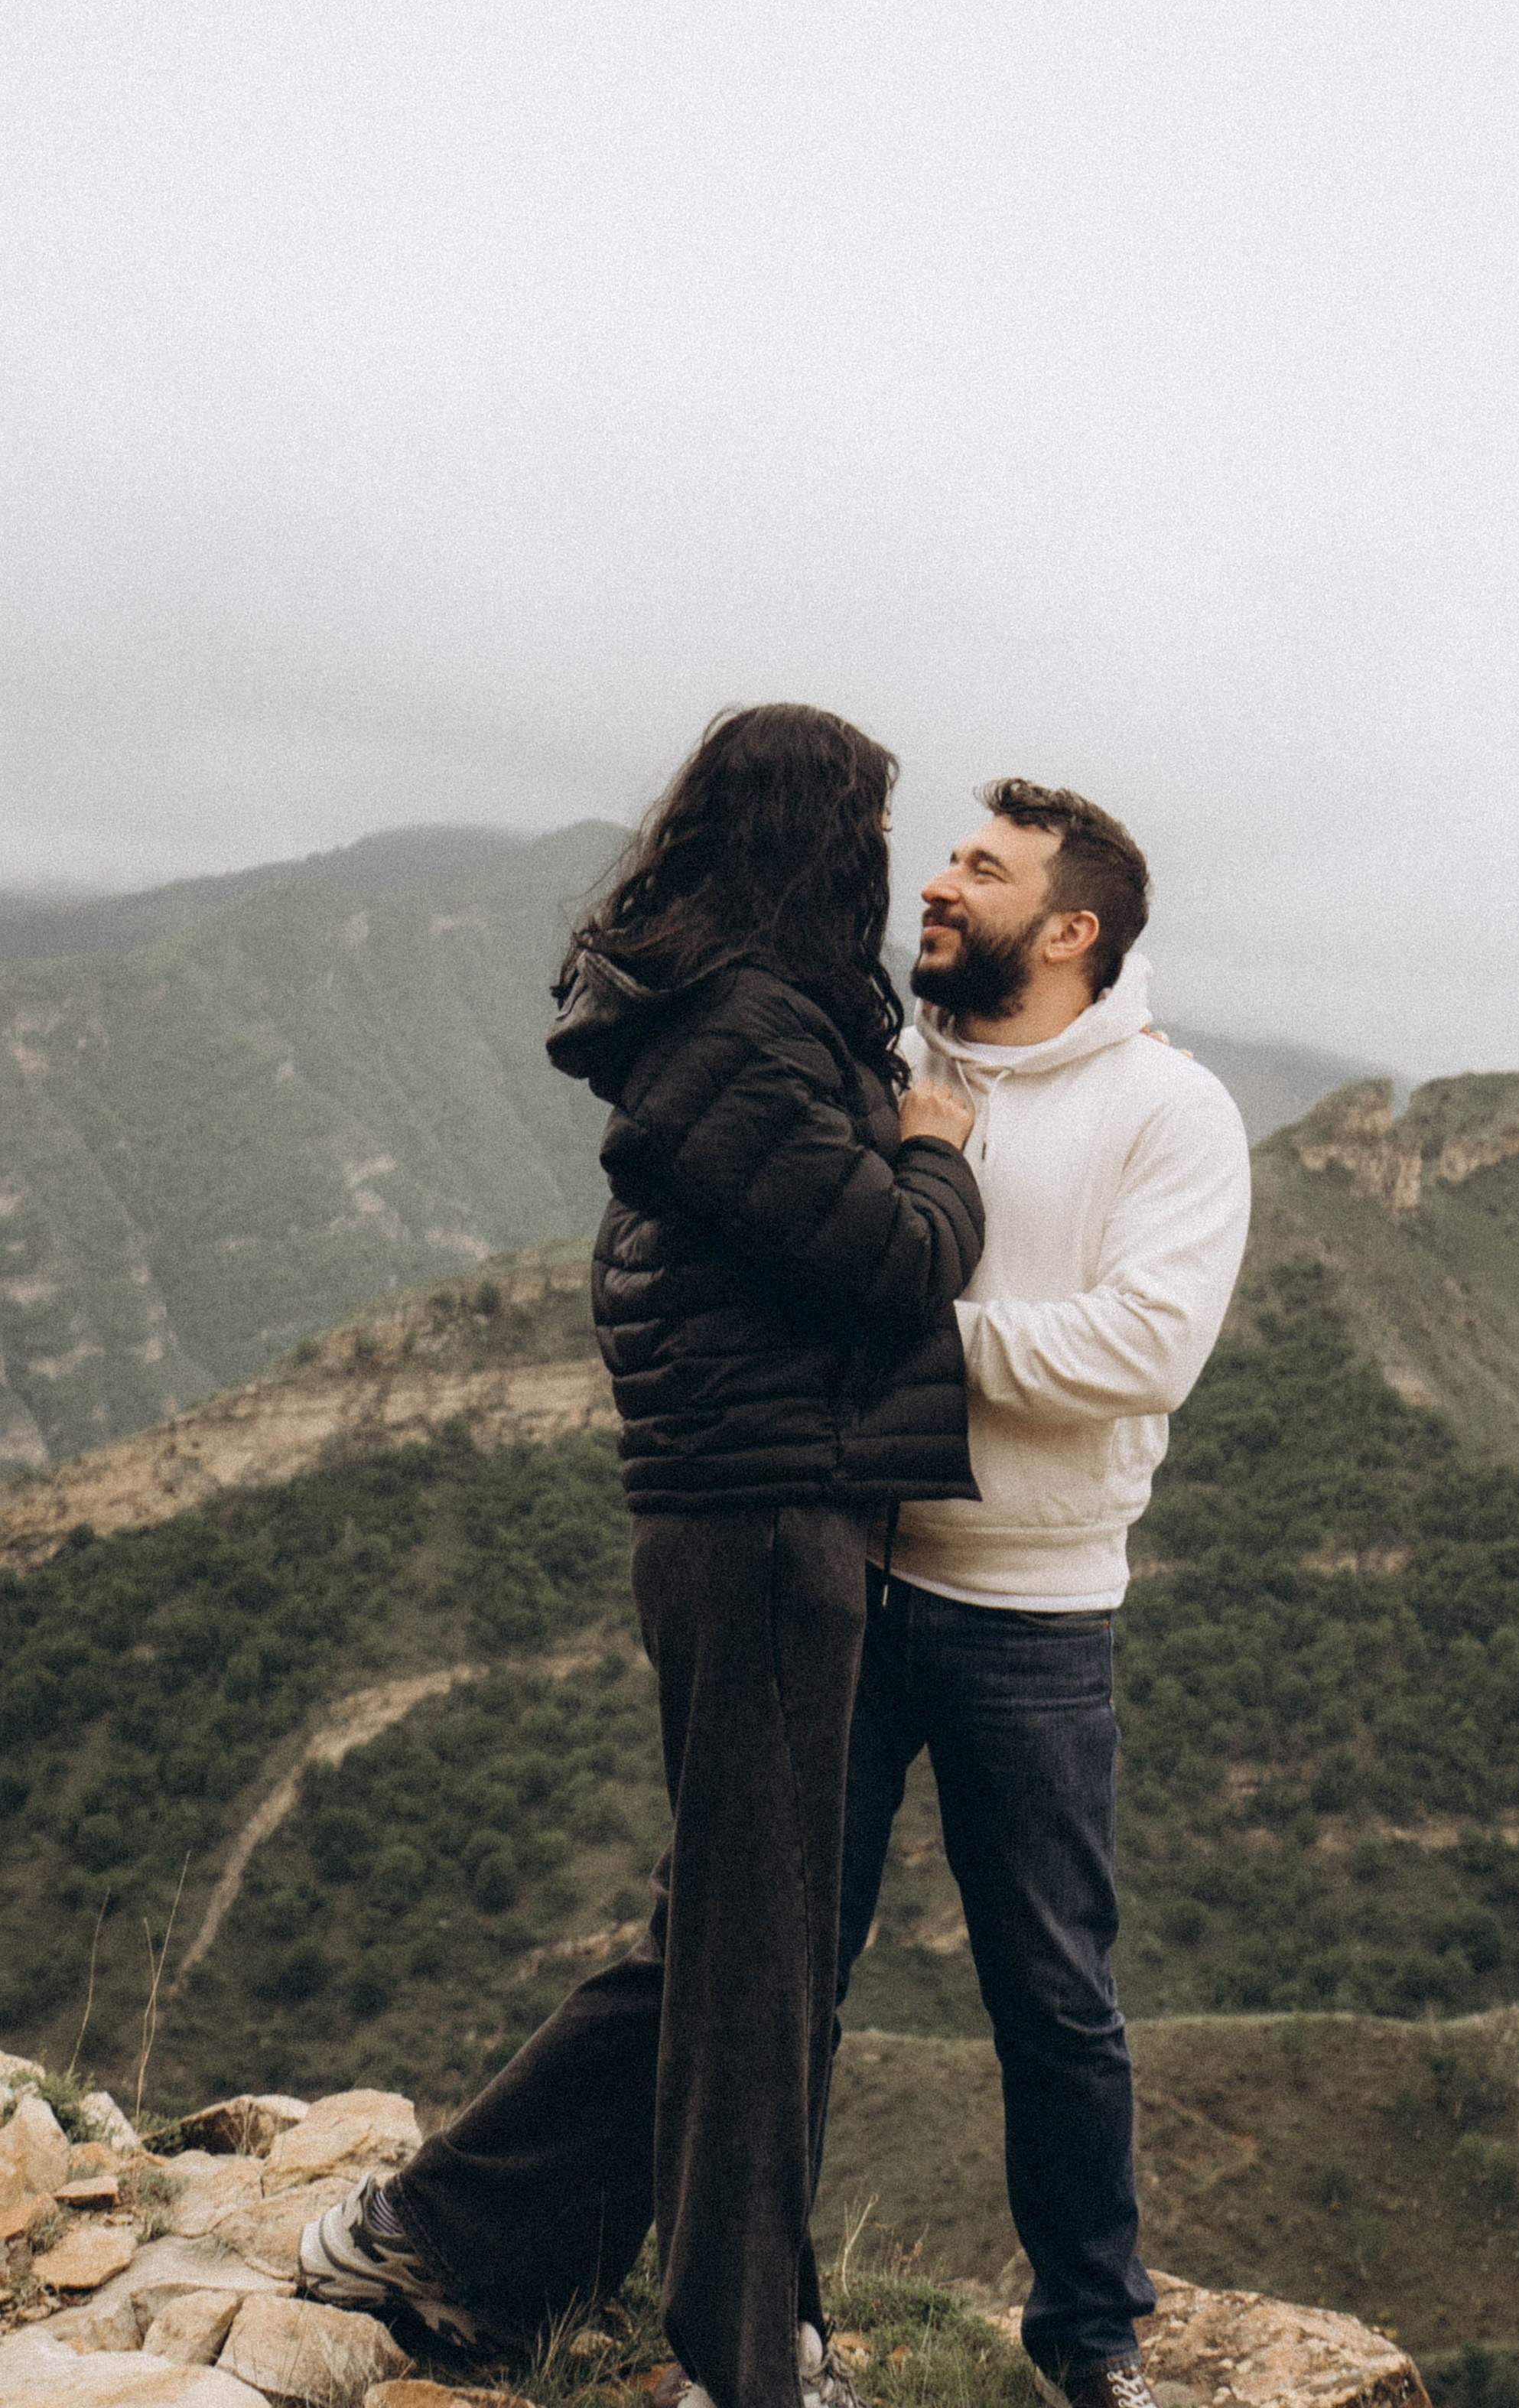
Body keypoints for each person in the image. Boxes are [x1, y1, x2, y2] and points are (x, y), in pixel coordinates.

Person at [298, 705, 984, 2408]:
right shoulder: (749, 1030)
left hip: (760, 1513)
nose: (890, 870)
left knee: (723, 1936)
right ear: (824, 841)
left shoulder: (733, 1019)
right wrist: (939, 1155)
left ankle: (445, 2239)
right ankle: (742, 2363)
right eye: (873, 835)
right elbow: (893, 1266)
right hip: (757, 1526)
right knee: (754, 1961)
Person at [826, 781, 1251, 2408]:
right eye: (946, 857)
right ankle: (763, 2307)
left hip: (1037, 1614)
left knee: (1056, 2000)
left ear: (1068, 931)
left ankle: (1087, 2345)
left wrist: (915, 1342)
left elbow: (1145, 1346)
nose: (934, 884)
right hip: (848, 1582)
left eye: (977, 870)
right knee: (792, 1968)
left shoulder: (1168, 1111)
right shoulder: (894, 1074)